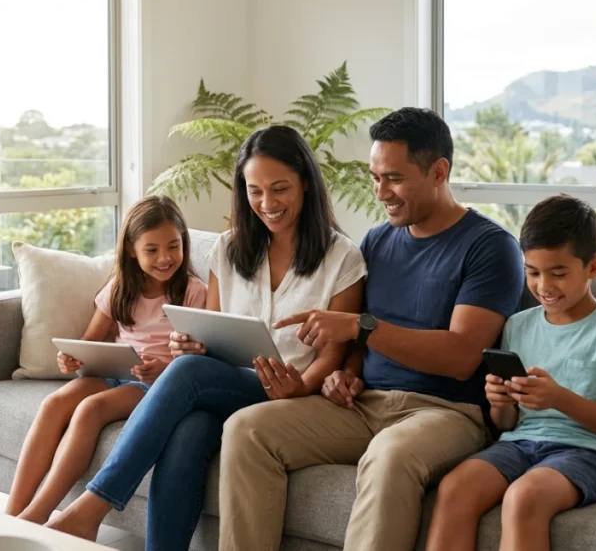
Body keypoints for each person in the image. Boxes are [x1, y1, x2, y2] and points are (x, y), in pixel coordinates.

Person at [218, 107, 527, 551]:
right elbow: (359, 343)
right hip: (364, 406)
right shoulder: (378, 241)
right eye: (375, 177)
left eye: (394, 178)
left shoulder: (490, 247)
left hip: (446, 412)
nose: (381, 192)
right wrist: (346, 373)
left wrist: (360, 329)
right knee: (247, 429)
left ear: (439, 171)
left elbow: (461, 358)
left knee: (391, 455)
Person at [45, 125, 366, 550]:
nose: (267, 204)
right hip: (227, 384)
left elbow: (334, 351)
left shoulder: (342, 257)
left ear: (306, 181)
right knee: (190, 431)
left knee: (190, 372)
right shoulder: (229, 249)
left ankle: (90, 510)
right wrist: (190, 343)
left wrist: (300, 387)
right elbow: (208, 329)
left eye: (280, 189)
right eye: (255, 191)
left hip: (293, 394)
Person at [424, 194, 596, 551]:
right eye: (532, 273)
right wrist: (500, 403)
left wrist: (559, 398)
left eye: (558, 273)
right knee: (455, 488)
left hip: (595, 453)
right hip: (521, 444)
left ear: (593, 267)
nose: (544, 286)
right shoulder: (517, 325)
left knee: (524, 496)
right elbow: (507, 424)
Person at [5, 195, 208, 524]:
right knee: (54, 404)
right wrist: (71, 358)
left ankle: (36, 516)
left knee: (90, 409)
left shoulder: (194, 291)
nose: (165, 258)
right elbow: (88, 341)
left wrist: (166, 369)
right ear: (131, 249)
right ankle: (12, 515)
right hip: (113, 372)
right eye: (152, 250)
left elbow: (204, 357)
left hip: (154, 385)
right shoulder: (120, 288)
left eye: (174, 246)